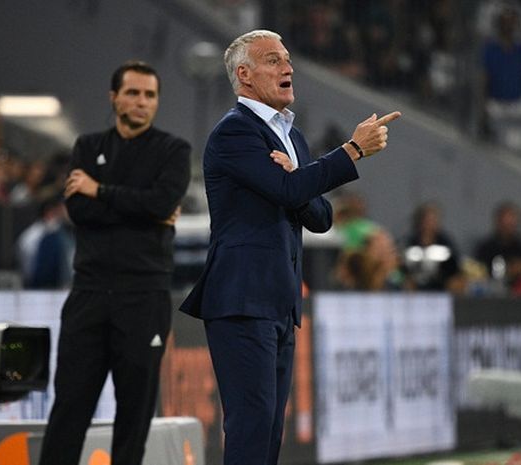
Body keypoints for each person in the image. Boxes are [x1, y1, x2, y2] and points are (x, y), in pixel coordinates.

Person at [179, 29, 400, 465]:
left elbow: (321, 217)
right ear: (244, 74)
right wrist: (350, 151)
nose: (288, 68)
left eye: (287, 59)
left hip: (279, 303)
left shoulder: (292, 139)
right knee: (250, 426)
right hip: (241, 300)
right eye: (274, 61)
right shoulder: (234, 133)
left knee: (270, 433)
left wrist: (297, 177)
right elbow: (287, 190)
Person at [38, 61, 191, 465]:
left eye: (150, 95)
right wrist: (140, 208)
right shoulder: (88, 146)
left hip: (143, 298)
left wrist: (99, 190)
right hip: (88, 296)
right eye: (133, 93)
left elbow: (161, 202)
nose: (142, 102)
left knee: (134, 415)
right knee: (69, 408)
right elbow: (79, 211)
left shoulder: (174, 150)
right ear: (114, 97)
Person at [474, 201, 521, 296]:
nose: (507, 227)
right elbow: (478, 274)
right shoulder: (485, 249)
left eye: (510, 223)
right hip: (492, 299)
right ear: (497, 222)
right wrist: (509, 269)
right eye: (504, 223)